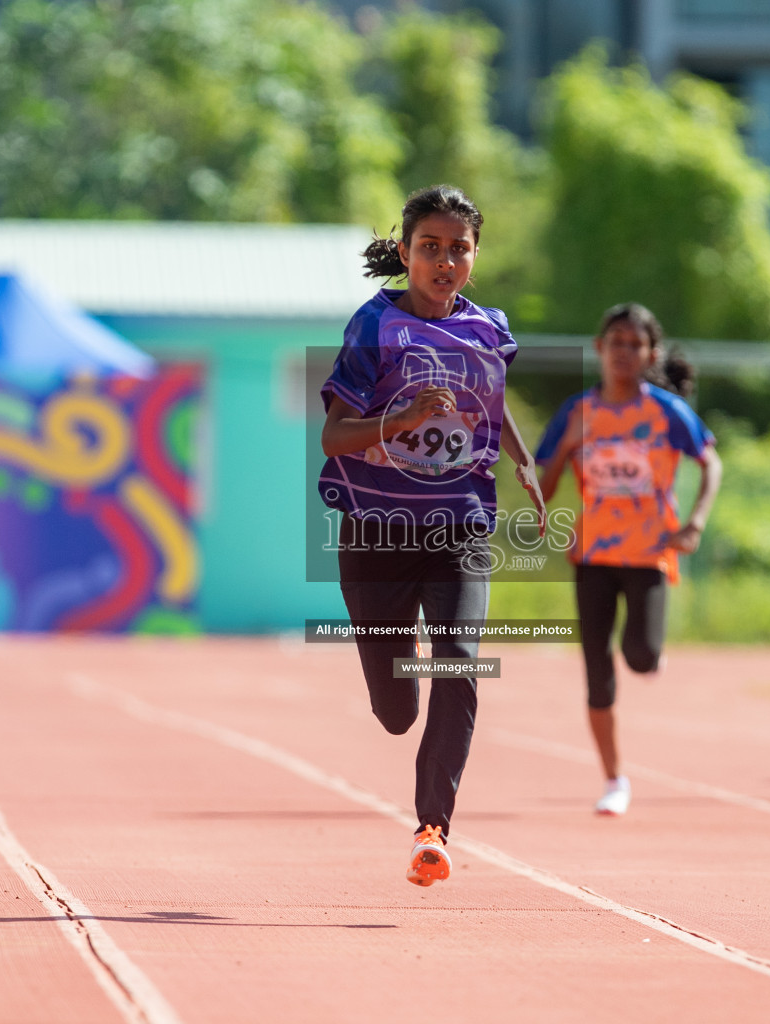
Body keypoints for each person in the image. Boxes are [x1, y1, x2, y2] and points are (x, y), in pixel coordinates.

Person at [319, 185, 545, 885]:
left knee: (458, 663)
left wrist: (522, 459)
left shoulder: (489, 328)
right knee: (395, 711)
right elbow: (334, 435)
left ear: (475, 254)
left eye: (459, 249)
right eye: (430, 248)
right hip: (377, 532)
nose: (445, 261)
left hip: (459, 525)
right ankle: (395, 676)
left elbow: (490, 402)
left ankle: (433, 828)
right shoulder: (374, 326)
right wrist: (403, 419)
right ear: (407, 253)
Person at [534, 303, 721, 816]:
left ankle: (650, 654)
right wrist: (569, 447)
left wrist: (696, 521)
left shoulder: (665, 411)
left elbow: (712, 462)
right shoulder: (577, 413)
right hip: (592, 553)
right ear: (600, 349)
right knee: (598, 671)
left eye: (634, 344)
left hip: (649, 552)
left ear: (650, 354)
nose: (623, 351)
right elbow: (540, 492)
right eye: (614, 341)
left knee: (639, 656)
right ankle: (614, 779)